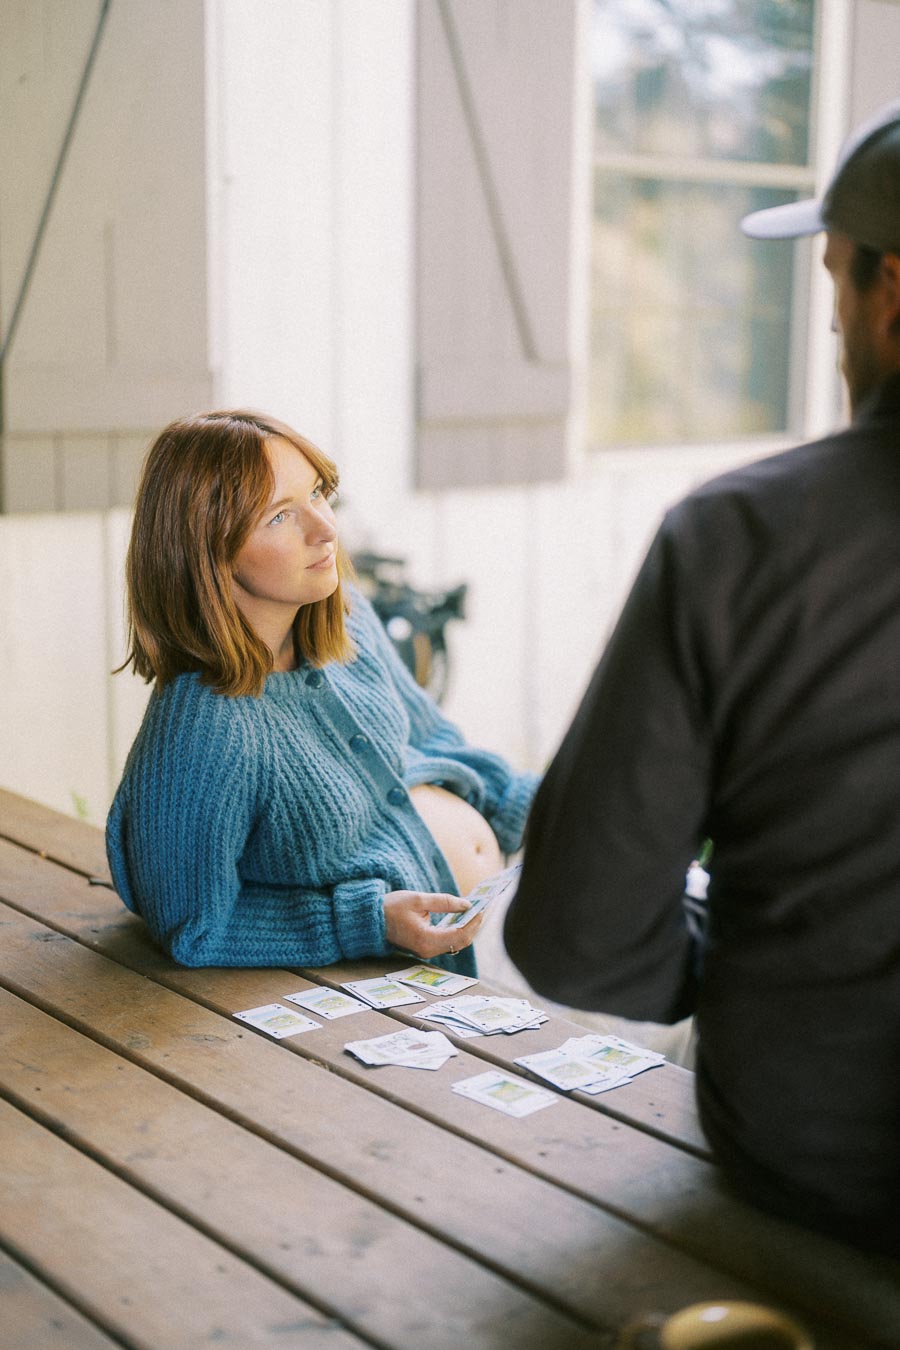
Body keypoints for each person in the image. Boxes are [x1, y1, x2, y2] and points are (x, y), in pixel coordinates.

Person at [504, 99, 900, 1254]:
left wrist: (751, 965)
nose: (831, 331)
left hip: (817, 1171)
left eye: (831, 287)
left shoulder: (738, 541)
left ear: (890, 291)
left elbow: (578, 934)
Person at [106, 409, 539, 974]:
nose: (325, 528)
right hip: (392, 986)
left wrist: (544, 813)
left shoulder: (348, 620)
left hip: (507, 915)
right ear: (207, 551)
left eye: (318, 493)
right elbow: (193, 923)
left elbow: (432, 740)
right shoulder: (206, 722)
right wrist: (367, 920)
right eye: (281, 516)